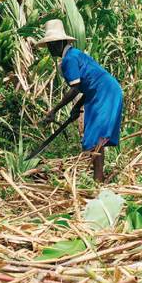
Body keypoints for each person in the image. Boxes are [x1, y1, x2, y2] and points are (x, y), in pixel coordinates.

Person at [35, 19, 123, 182]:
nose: (51, 48)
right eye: (49, 44)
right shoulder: (73, 55)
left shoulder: (69, 59)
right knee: (97, 138)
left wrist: (55, 109)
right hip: (101, 92)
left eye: (53, 44)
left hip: (104, 93)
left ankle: (97, 181)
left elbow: (76, 88)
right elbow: (86, 85)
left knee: (96, 137)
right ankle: (98, 179)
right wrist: (77, 107)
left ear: (61, 42)